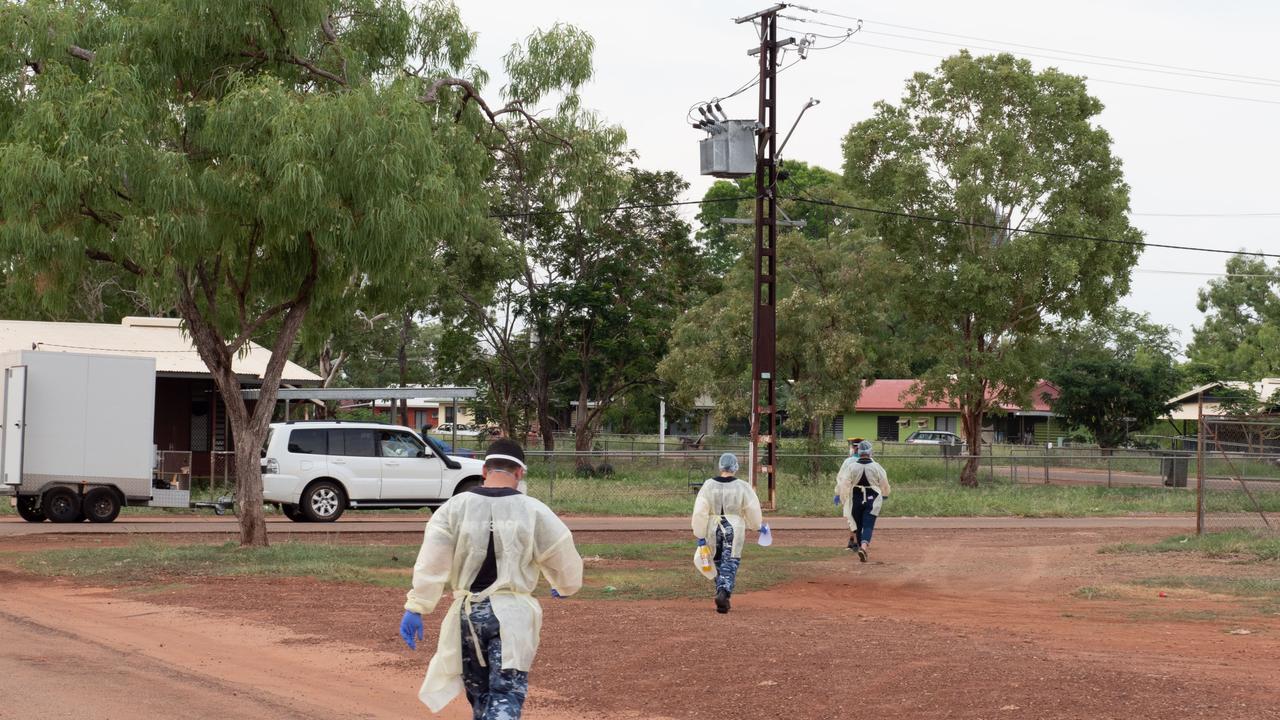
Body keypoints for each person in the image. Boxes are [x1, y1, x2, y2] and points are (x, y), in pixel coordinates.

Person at [399, 438, 582, 718]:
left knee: (481, 696)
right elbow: (560, 551)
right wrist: (565, 585)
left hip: (469, 616)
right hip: (513, 616)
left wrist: (417, 606)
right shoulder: (534, 510)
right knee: (506, 694)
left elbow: (432, 561)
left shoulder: (453, 508)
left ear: (485, 470)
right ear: (519, 473)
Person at [691, 452, 766, 614]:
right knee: (730, 561)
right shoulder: (742, 486)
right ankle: (723, 593)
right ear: (735, 467)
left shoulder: (708, 485)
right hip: (734, 528)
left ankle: (721, 593)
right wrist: (757, 525)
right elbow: (752, 508)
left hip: (712, 528)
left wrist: (700, 534)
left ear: (720, 466)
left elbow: (700, 511)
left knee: (717, 561)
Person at [834, 439, 891, 562]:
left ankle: (860, 547)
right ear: (870, 452)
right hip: (873, 498)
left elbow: (844, 483)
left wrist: (840, 496)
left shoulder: (851, 466)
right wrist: (885, 494)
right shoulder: (877, 467)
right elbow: (884, 483)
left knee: (858, 526)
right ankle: (864, 547)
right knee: (868, 524)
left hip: (856, 498)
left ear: (859, 451)